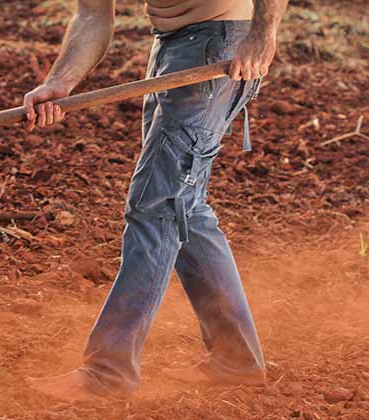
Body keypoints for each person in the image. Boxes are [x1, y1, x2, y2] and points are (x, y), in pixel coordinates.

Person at [23, 0, 289, 400]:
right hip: (174, 45)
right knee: (184, 206)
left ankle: (107, 373)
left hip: (220, 44)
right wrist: (60, 81)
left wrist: (263, 33)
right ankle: (236, 359)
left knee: (157, 206)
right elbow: (94, 15)